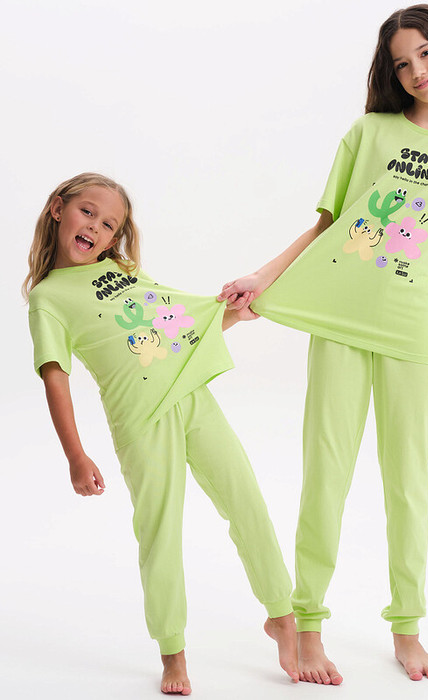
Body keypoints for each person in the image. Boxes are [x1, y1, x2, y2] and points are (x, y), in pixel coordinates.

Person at [217, 3, 428, 685]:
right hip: (340, 323)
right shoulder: (369, 132)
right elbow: (328, 225)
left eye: (425, 54)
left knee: (408, 485)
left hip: (412, 333)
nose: (416, 71)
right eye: (401, 63)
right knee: (325, 474)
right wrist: (264, 277)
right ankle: (305, 625)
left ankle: (407, 629)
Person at [23, 173, 299, 695]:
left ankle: (283, 618)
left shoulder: (124, 270)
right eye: (87, 213)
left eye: (109, 225)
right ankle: (173, 653)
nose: (96, 228)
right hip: (140, 421)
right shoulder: (48, 298)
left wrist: (232, 313)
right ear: (58, 209)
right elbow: (55, 378)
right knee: (160, 533)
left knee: (246, 501)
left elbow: (172, 328)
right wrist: (76, 456)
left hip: (192, 396)